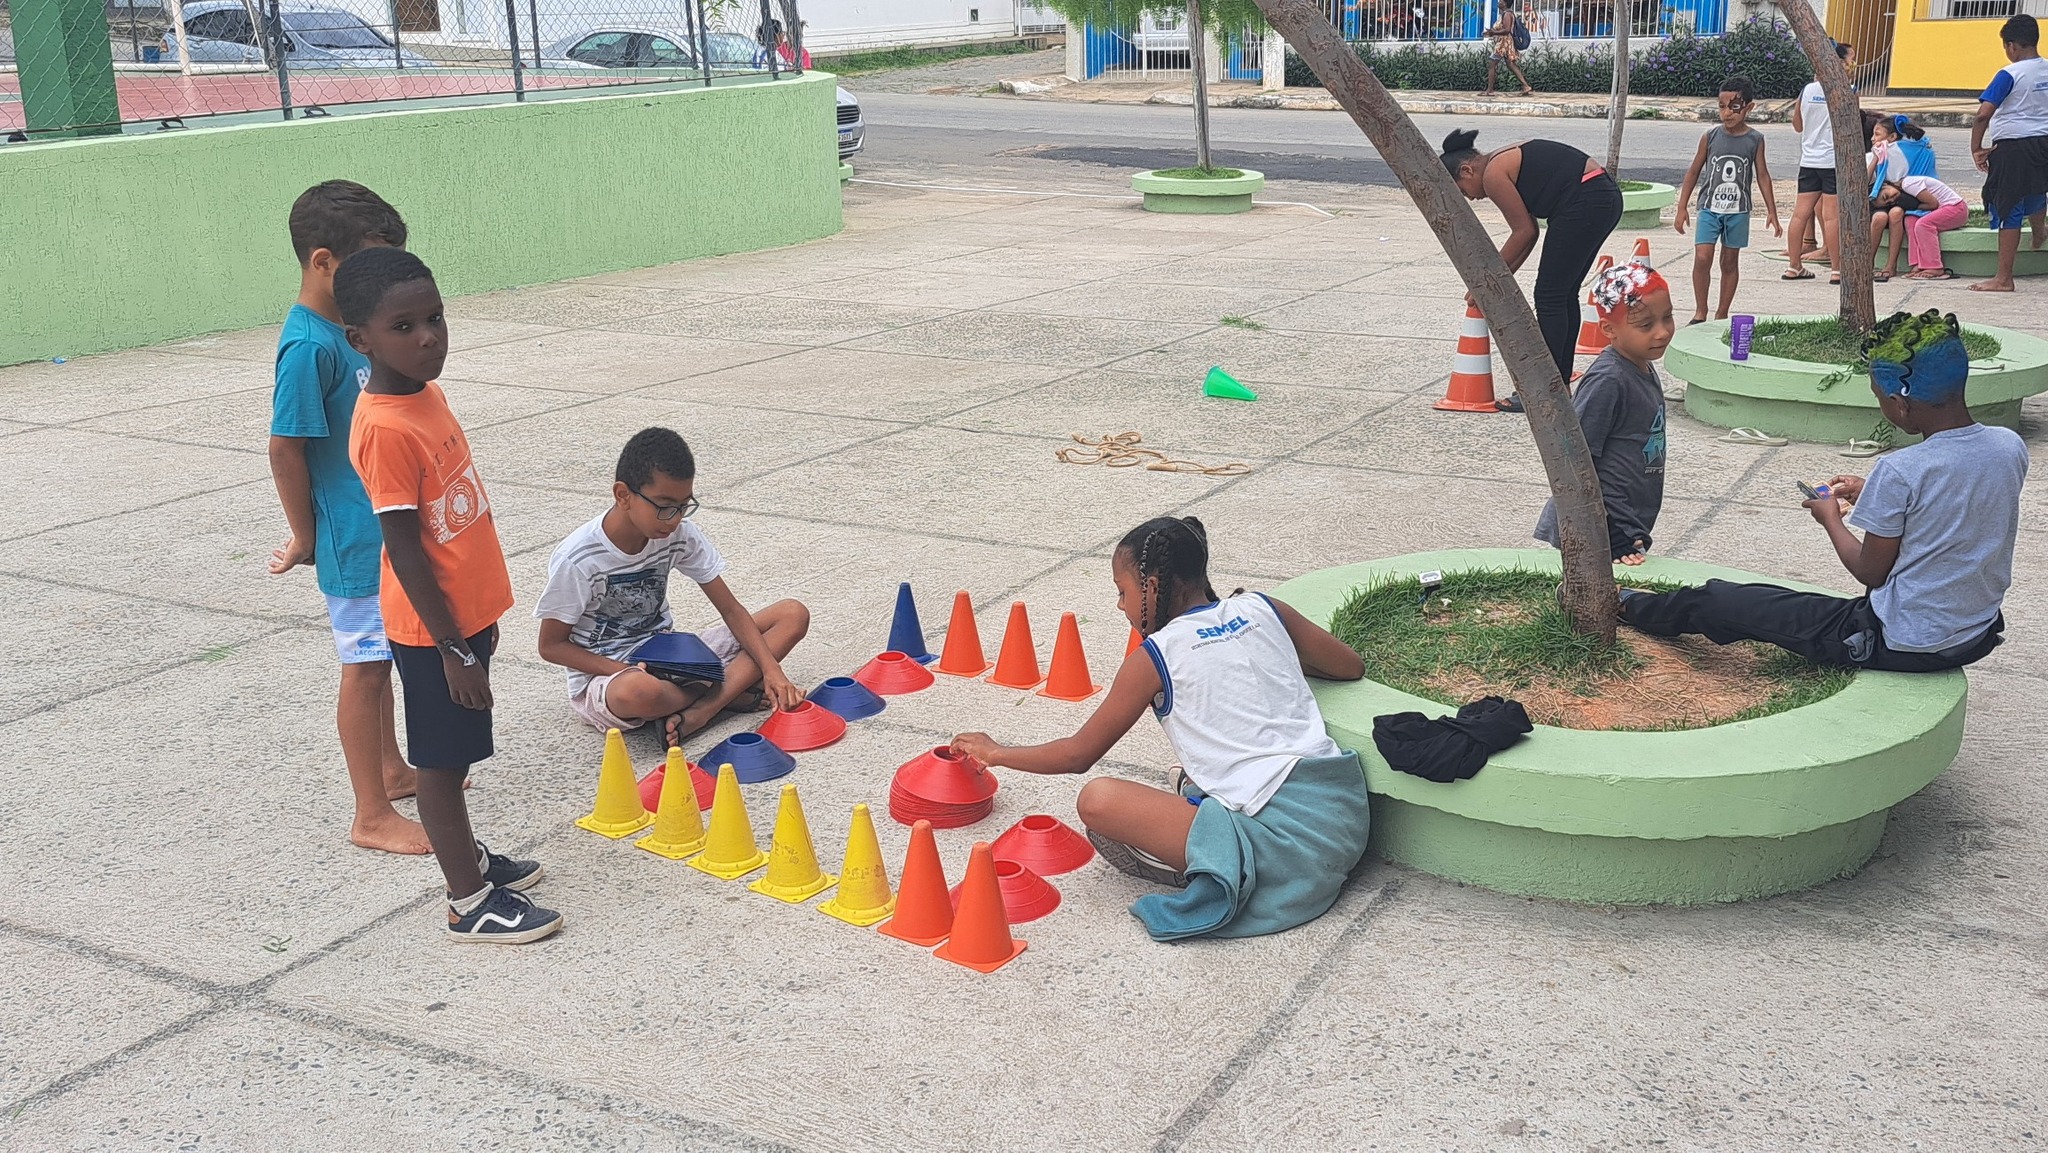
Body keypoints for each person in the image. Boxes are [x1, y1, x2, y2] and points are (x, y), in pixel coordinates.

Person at [949, 516, 1369, 941]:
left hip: (1287, 856)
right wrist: (1266, 653)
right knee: (1201, 774)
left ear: (1150, 587)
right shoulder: (1263, 608)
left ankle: (1210, 868)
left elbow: (1078, 755)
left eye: (1122, 592)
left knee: (1098, 801)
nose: (1120, 606)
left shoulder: (1154, 658)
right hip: (1345, 820)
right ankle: (1202, 803)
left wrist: (997, 752)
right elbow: (1350, 666)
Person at [341, 247, 561, 944]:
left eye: (435, 318)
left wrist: (475, 629)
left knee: (459, 750)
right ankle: (468, 901)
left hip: (465, 620)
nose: (429, 337)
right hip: (434, 633)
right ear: (360, 339)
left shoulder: (424, 393)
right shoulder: (385, 426)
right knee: (440, 766)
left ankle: (468, 857)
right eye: (403, 327)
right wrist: (452, 649)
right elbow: (404, 548)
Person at [1619, 310, 2024, 673]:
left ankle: (1628, 605)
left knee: (1722, 601)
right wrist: (1874, 492)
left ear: (1900, 405)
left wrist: (1830, 519)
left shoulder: (1901, 470)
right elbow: (1955, 501)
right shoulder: (2008, 447)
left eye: (1878, 398)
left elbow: (1870, 572)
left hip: (1903, 641)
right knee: (1769, 597)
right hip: (1975, 632)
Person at [265, 181, 429, 856]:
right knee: (364, 669)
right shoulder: (310, 347)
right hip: (352, 541)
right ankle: (370, 814)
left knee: (382, 658)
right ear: (324, 262)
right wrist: (306, 536)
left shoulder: (350, 329)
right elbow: (286, 447)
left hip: (381, 529)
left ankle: (391, 770)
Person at [534, 427, 808, 748]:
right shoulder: (579, 558)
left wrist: (772, 670)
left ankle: (703, 709)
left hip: (672, 658)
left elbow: (731, 609)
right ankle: (721, 692)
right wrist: (623, 669)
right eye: (664, 506)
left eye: (683, 506)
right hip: (609, 676)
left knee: (792, 614)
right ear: (623, 495)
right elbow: (551, 646)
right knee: (639, 692)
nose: (674, 519)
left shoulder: (678, 535)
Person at [1442, 129, 1624, 408]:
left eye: (1463, 192)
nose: (1471, 198)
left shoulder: (1492, 175)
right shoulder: (1500, 160)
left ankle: (1547, 390)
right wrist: (1497, 282)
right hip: (1603, 196)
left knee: (1550, 297)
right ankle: (1558, 386)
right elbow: (1531, 233)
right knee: (1562, 294)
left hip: (1585, 200)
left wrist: (1485, 283)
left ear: (1467, 170)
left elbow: (1523, 232)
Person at [1534, 260, 1673, 566]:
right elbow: (1574, 459)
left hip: (1625, 523)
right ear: (1609, 329)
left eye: (1668, 317)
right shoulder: (1609, 380)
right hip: (1601, 528)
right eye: (1646, 325)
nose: (1662, 332)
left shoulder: (1641, 365)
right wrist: (1607, 531)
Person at [1673, 75, 1782, 324]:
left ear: (1749, 107)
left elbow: (1763, 175)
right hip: (1709, 208)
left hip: (1738, 211)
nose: (1727, 113)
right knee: (1703, 256)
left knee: (1730, 261)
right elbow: (1693, 172)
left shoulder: (1755, 140)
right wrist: (1682, 207)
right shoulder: (1710, 136)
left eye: (1734, 107)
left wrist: (1772, 211)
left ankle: (1722, 312)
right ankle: (1700, 311)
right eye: (1722, 107)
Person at [1968, 14, 2048, 293]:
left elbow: (1983, 114)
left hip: (2014, 147)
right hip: (2043, 141)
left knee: (2008, 206)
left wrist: (1977, 148)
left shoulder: (2009, 74)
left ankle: (2003, 278)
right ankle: (2039, 232)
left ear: (2011, 46)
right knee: (2036, 188)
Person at [1786, 41, 1854, 282]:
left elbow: (1797, 125)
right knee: (1831, 216)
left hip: (1809, 160)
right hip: (1832, 162)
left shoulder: (1807, 90)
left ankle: (1794, 266)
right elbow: (1851, 126)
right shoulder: (1847, 89)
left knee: (1799, 214)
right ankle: (1837, 270)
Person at [1867, 115, 1934, 280]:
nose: (1873, 138)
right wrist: (1876, 158)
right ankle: (1867, 262)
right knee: (1880, 218)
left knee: (1896, 213)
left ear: (1892, 137)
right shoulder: (1875, 154)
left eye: (1877, 134)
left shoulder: (1905, 153)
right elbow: (1864, 182)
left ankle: (1891, 265)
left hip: (1903, 199)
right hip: (1880, 201)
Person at [1874, 176, 1969, 280]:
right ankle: (1918, 264)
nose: (1892, 199)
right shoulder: (1906, 192)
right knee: (1910, 220)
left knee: (1923, 225)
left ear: (1885, 185)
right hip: (1944, 210)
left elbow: (1933, 204)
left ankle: (1934, 266)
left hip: (1956, 208)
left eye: (1886, 196)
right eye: (1889, 203)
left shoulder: (1908, 184)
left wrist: (1913, 206)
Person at [1482, 0, 1534, 97]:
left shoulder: (1507, 15)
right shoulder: (1506, 14)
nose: (1499, 2)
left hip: (1503, 44)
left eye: (1501, 1)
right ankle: (1526, 86)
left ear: (1505, 3)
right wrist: (1492, 33)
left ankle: (1489, 90)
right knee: (1511, 64)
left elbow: (1506, 30)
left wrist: (1493, 32)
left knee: (1492, 64)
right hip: (1505, 43)